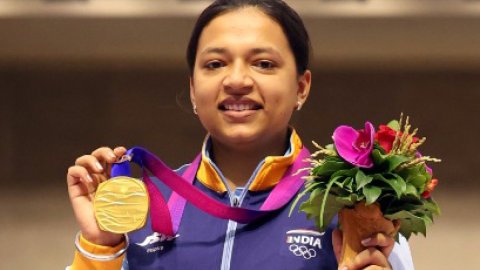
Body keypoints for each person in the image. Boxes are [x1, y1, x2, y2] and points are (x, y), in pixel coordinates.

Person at [66, 0, 414, 269]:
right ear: (192, 89)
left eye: (263, 63)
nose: (236, 81)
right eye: (215, 64)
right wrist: (100, 244)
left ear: (301, 87)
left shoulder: (353, 208)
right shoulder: (139, 207)